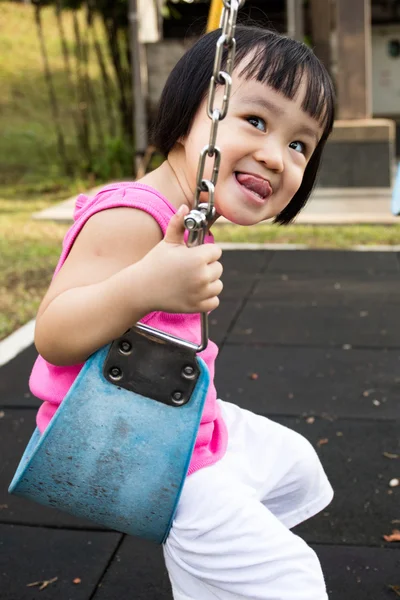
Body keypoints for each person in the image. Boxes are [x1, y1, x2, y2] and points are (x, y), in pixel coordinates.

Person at [30, 25, 335, 600]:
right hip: (126, 444)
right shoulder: (133, 215)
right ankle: (209, 533)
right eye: (257, 121)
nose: (275, 155)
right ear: (189, 114)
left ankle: (213, 562)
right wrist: (143, 285)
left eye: (299, 145)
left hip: (176, 419)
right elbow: (53, 334)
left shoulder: (189, 214)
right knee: (292, 580)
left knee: (296, 466)